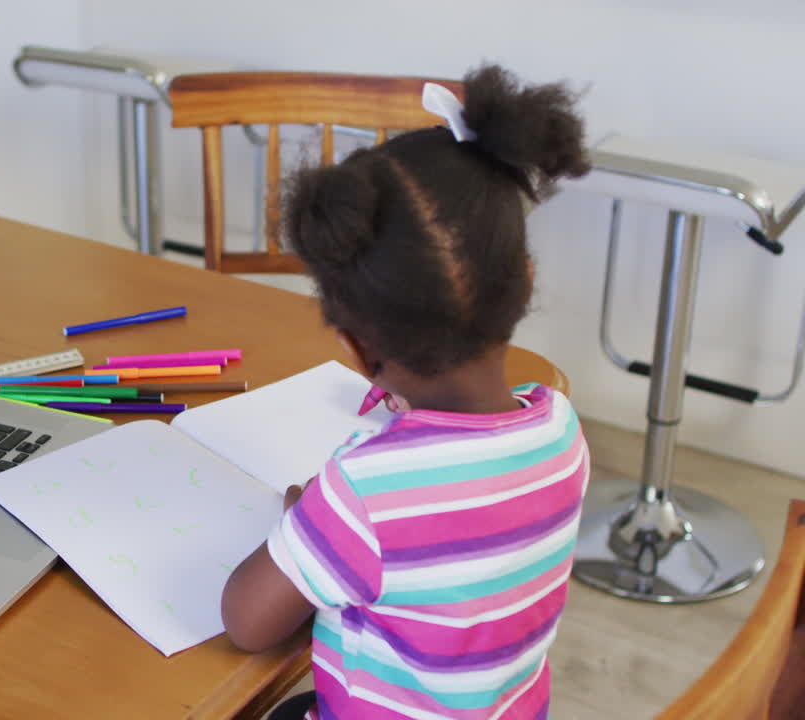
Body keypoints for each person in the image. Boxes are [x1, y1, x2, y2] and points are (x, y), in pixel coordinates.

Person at [221, 65, 593, 720]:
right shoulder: (562, 428)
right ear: (525, 282)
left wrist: (305, 525)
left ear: (356, 348)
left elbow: (246, 623)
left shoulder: (363, 495)